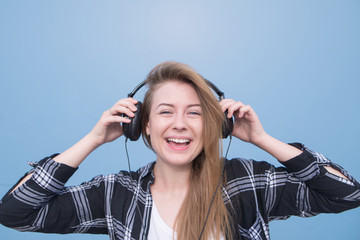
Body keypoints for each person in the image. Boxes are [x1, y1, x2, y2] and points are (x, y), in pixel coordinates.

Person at [0, 61, 359, 240]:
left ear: (216, 126)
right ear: (142, 124)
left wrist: (264, 140)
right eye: (165, 112)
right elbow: (16, 213)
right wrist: (92, 139)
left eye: (195, 113)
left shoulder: (247, 181)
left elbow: (347, 195)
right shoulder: (116, 193)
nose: (180, 124)